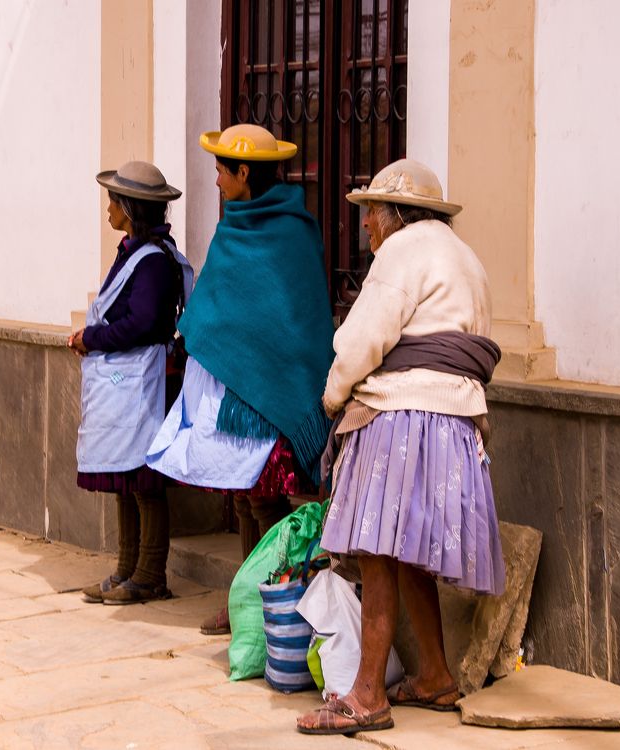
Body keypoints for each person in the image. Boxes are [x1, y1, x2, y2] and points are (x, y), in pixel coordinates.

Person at [295, 159, 506, 735]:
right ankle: (435, 675)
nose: (367, 228)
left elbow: (364, 338)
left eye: (371, 215)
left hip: (403, 414)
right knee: (407, 546)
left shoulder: (403, 250)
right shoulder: (465, 256)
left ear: (398, 214)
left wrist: (334, 396)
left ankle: (366, 697)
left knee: (376, 550)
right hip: (456, 420)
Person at [145, 124, 335, 635]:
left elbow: (296, 318)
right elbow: (219, 301)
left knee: (266, 498)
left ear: (244, 172)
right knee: (245, 495)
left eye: (221, 171)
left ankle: (267, 601)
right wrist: (201, 330)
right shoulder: (232, 228)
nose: (215, 181)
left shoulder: (293, 231)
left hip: (274, 393)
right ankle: (248, 601)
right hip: (235, 388)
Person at [72, 161, 193, 605]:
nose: (107, 210)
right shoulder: (133, 252)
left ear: (129, 207)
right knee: (124, 473)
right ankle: (126, 567)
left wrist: (94, 337)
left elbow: (142, 322)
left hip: (144, 383)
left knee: (144, 480)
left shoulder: (154, 263)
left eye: (113, 202)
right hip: (127, 381)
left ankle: (150, 573)